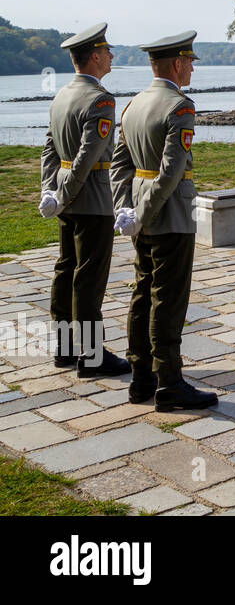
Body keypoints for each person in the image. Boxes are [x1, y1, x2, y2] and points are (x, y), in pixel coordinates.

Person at [110, 31, 217, 411]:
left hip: (140, 213)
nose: (191, 68)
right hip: (168, 215)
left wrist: (126, 208)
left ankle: (141, 378)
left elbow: (120, 164)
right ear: (176, 64)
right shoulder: (179, 107)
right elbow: (171, 173)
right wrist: (141, 212)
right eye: (189, 61)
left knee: (142, 292)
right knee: (168, 300)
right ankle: (170, 383)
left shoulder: (133, 105)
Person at [37, 23, 131, 376]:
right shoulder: (100, 100)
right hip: (91, 197)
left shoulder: (62, 95)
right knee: (88, 277)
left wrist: (51, 190)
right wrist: (61, 193)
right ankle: (92, 356)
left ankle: (64, 348)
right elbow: (87, 156)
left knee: (65, 270)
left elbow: (50, 147)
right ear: (94, 56)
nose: (111, 56)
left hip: (66, 195)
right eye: (107, 51)